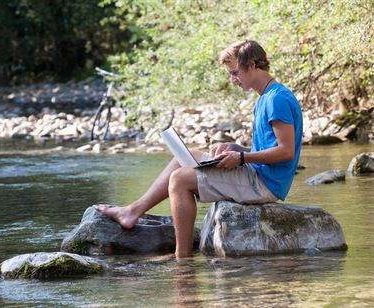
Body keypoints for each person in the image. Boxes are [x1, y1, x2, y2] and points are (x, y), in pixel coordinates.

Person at [95, 40, 303, 259]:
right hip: (259, 173)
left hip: (265, 184)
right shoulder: (266, 97)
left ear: (252, 65)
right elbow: (270, 147)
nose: (232, 80)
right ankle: (133, 211)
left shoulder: (276, 99)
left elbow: (286, 151)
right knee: (187, 156)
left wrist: (241, 158)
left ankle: (182, 258)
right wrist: (237, 149)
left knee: (179, 180)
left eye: (234, 73)